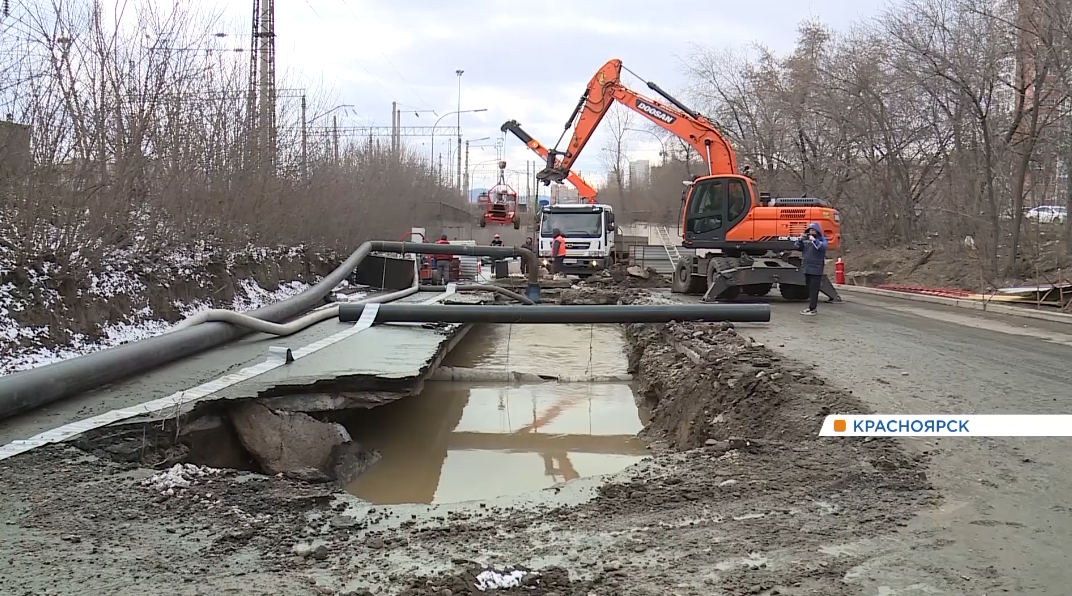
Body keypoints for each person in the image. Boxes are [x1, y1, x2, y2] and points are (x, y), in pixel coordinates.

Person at [795, 222, 828, 315]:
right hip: (807, 267)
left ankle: (813, 309)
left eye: (813, 230)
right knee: (809, 288)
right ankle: (810, 307)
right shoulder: (806, 240)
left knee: (814, 289)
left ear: (817, 231)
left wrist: (814, 240)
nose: (811, 232)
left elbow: (822, 247)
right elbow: (797, 247)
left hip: (816, 268)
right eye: (810, 230)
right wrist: (800, 240)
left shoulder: (822, 240)